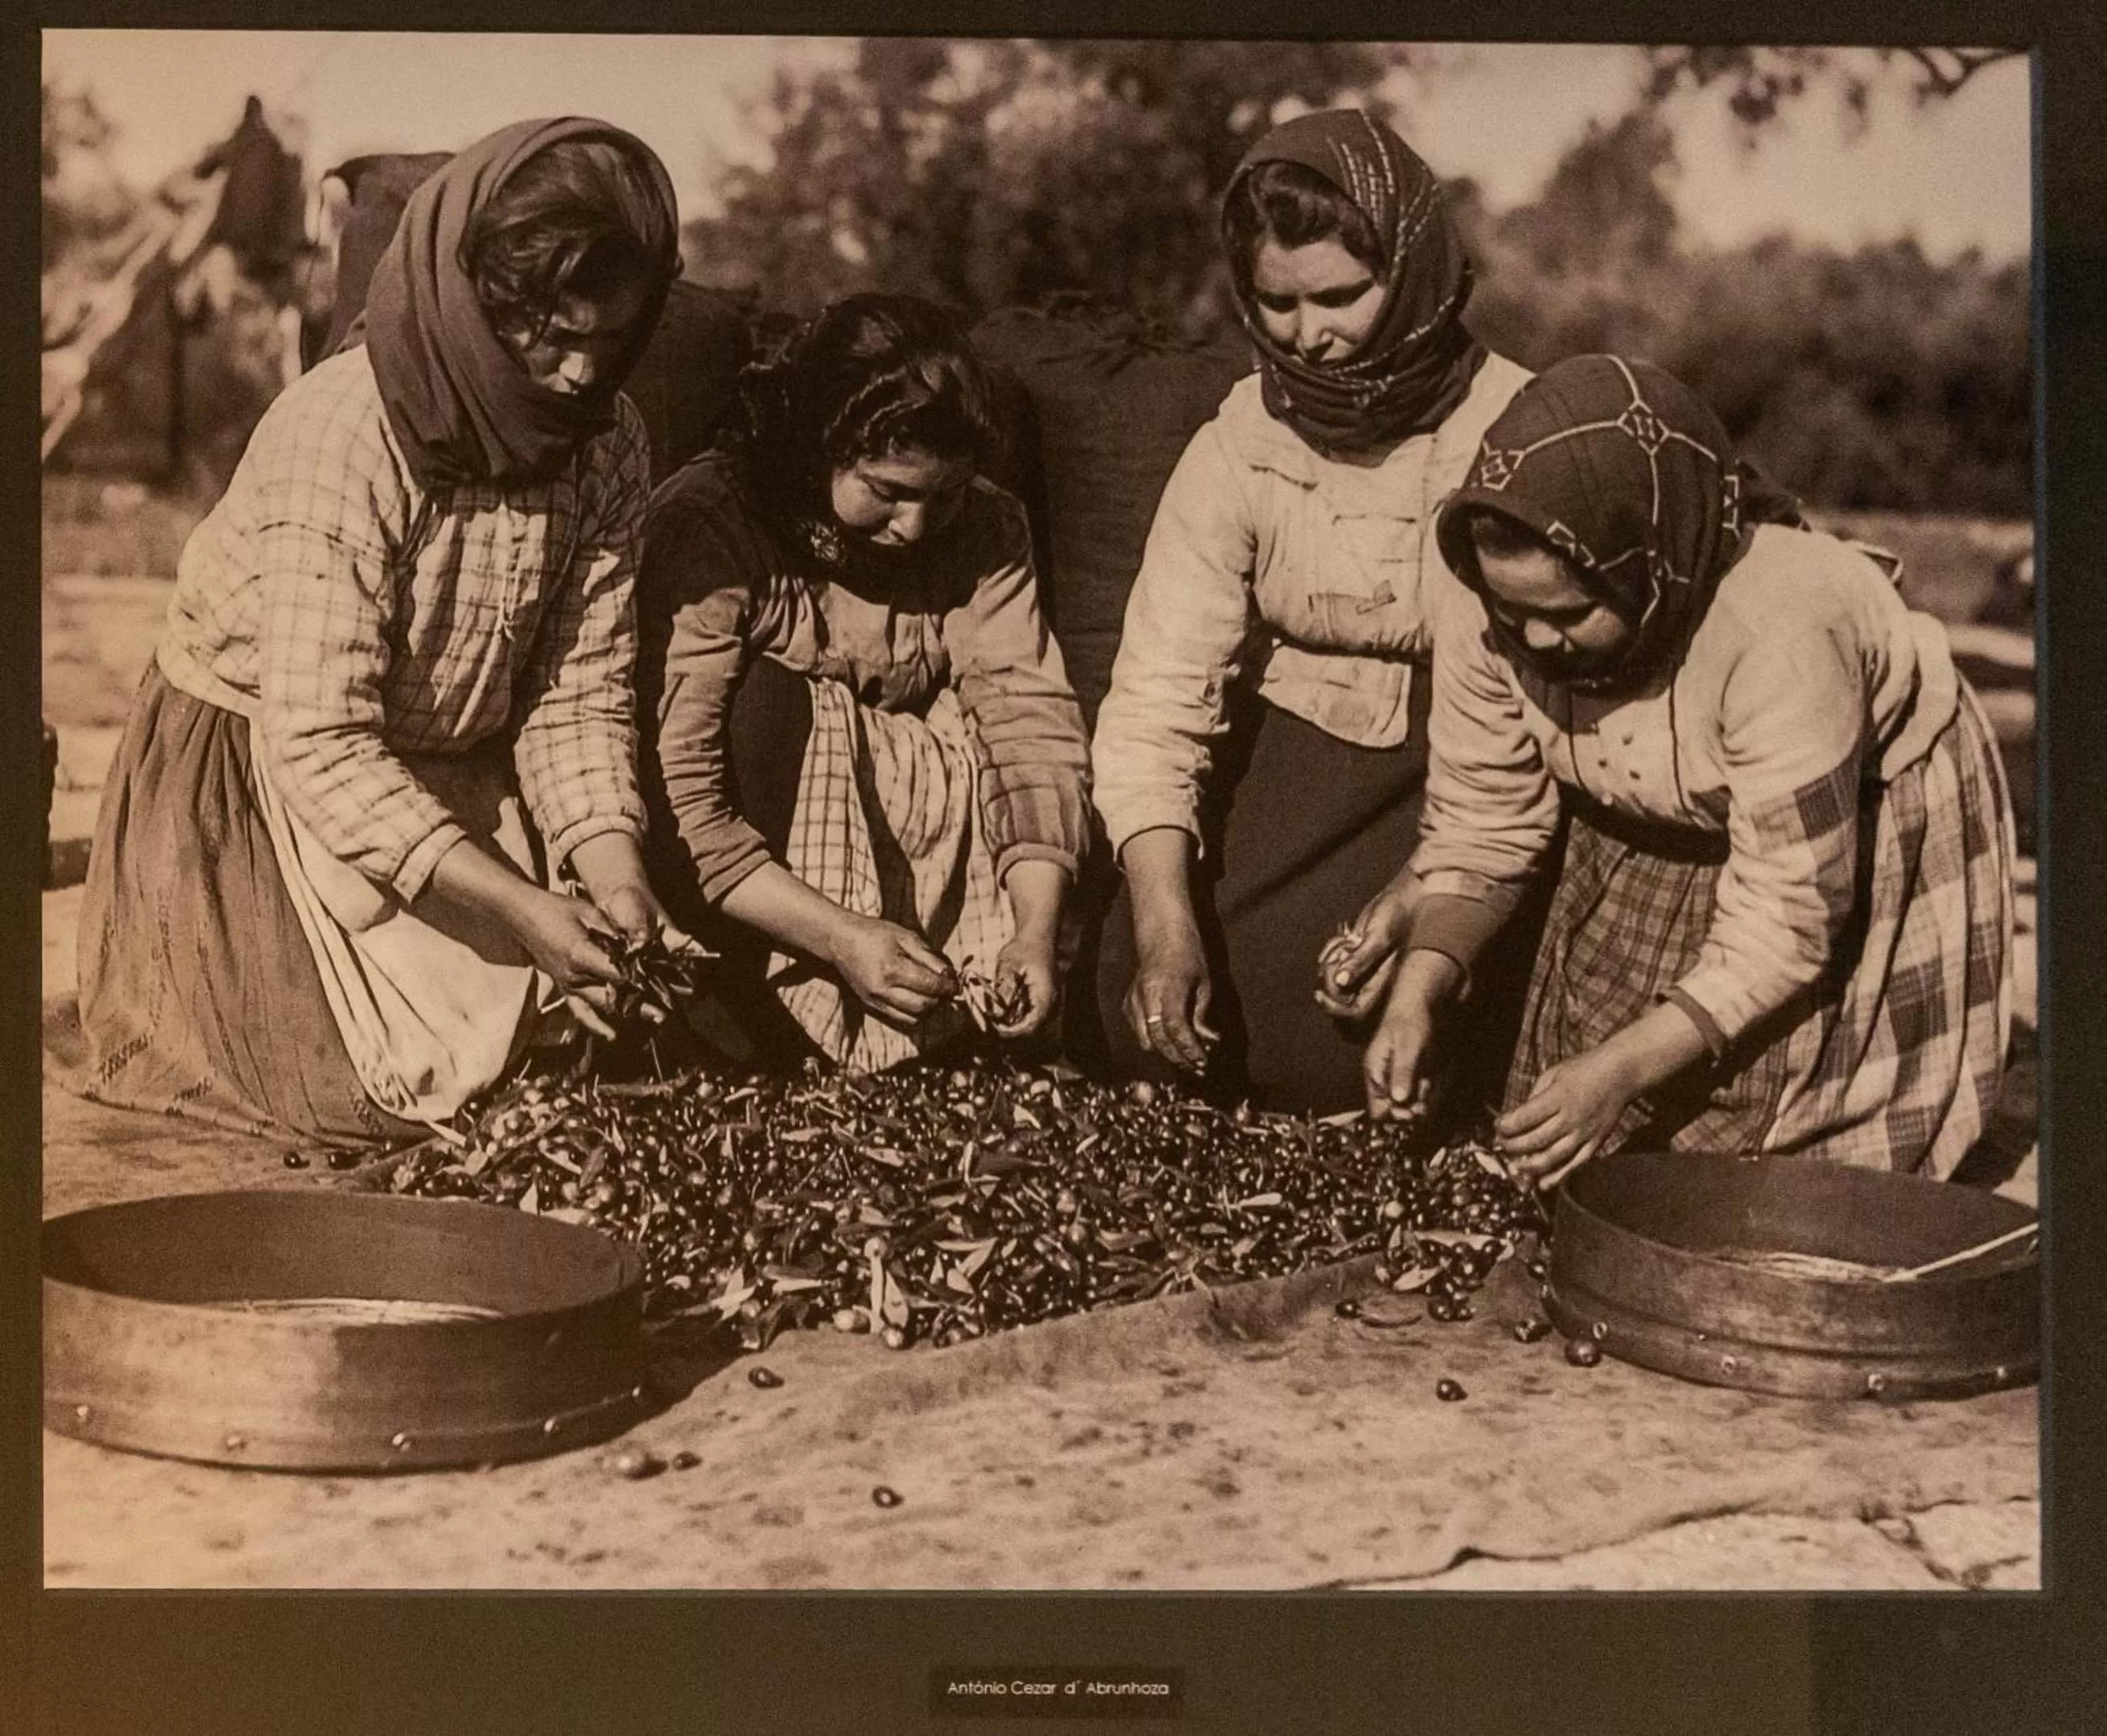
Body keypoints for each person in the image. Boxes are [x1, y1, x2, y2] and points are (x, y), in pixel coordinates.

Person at [75, 118, 688, 1145]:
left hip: (447, 760)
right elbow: (319, 740)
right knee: (354, 1104)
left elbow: (575, 694)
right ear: (481, 301)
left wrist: (611, 874)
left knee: (563, 1061)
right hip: (258, 773)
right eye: (553, 335)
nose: (583, 374)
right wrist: (517, 908)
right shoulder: (347, 429)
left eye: (609, 340)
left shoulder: (608, 441)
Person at [1363, 353, 2014, 1183]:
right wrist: (1421, 985)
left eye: (1566, 613)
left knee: (1781, 1151)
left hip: (1844, 817)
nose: (1531, 642)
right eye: (1512, 613)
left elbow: (1786, 919)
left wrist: (1624, 1068)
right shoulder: (1485, 597)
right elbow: (1482, 820)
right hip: (1647, 797)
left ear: (1651, 563)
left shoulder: (1777, 634)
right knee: (1584, 1126)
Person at [1089, 107, 1532, 1111]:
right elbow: (1159, 695)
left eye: (1340, 296)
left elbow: (1514, 745)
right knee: (1140, 1008)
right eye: (1275, 304)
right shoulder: (1240, 443)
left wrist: (1427, 888)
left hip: (1466, 776)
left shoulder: (1507, 431)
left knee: (1348, 1053)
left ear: (1412, 269)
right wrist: (1163, 924)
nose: (1309, 338)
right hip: (1288, 755)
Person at [637, 294, 1091, 1071]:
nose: (914, 527)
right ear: (824, 449)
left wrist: (1034, 931)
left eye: (941, 495)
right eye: (887, 490)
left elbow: (1029, 729)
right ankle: (753, 1029)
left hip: (914, 853)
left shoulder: (985, 530)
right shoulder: (716, 521)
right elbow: (679, 788)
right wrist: (841, 937)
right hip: (746, 874)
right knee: (766, 706)